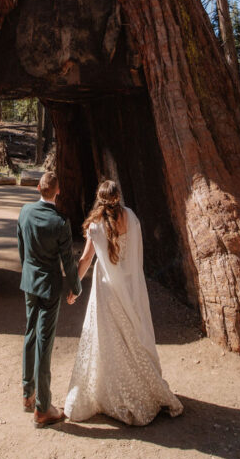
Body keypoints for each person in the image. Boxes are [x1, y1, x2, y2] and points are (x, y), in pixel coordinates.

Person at [64, 179, 183, 425]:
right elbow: (136, 254)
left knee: (110, 341)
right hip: (130, 288)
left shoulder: (95, 225)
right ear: (118, 197)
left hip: (106, 290)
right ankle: (144, 389)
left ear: (99, 198)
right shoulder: (131, 217)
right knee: (132, 337)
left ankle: (114, 391)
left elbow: (86, 259)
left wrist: (75, 288)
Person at [17, 169, 81, 427]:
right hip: (50, 287)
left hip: (30, 283)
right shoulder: (60, 222)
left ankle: (27, 394)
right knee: (45, 340)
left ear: (37, 189)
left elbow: (22, 246)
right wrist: (75, 287)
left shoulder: (24, 212)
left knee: (29, 333)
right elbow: (67, 260)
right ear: (58, 192)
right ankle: (43, 408)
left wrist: (27, 273)